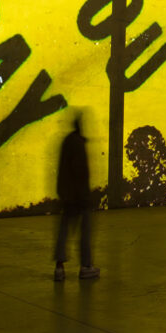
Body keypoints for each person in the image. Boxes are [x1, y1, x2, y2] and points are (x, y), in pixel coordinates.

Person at [54, 115, 100, 281]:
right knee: (85, 230)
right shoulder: (78, 144)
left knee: (64, 230)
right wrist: (85, 196)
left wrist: (62, 192)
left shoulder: (67, 141)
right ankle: (86, 266)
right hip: (78, 197)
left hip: (67, 195)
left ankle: (59, 268)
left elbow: (63, 169)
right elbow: (81, 172)